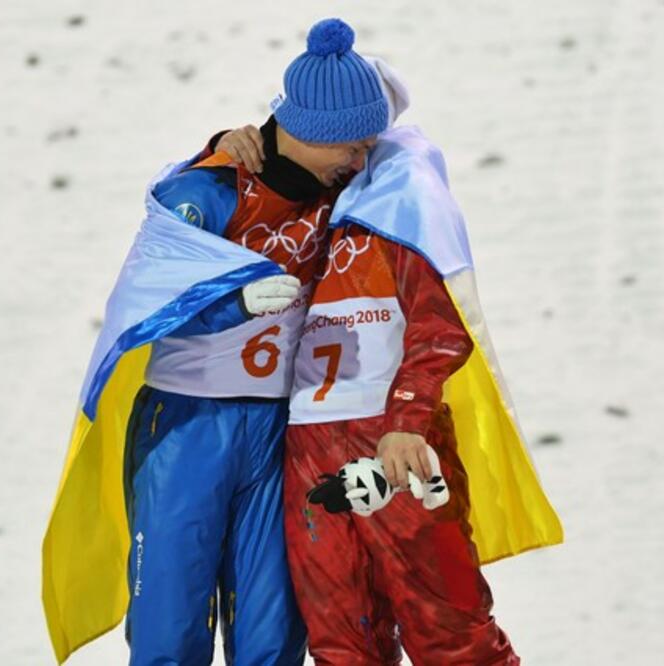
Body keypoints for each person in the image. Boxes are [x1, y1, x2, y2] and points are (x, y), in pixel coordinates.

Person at [41, 18, 389, 666]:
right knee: (172, 622)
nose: (362, 160)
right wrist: (229, 302)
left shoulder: (340, 188)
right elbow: (146, 298)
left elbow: (410, 139)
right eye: (353, 144)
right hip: (188, 424)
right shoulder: (210, 188)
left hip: (276, 430)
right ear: (315, 129)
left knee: (271, 631)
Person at [219, 65, 563, 665]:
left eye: (366, 145)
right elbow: (211, 220)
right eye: (350, 144)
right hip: (308, 445)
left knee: (448, 630)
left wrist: (409, 416)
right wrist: (223, 152)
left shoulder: (404, 198)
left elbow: (441, 322)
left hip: (393, 438)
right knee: (341, 641)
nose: (357, 158)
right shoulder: (310, 201)